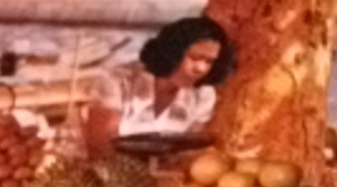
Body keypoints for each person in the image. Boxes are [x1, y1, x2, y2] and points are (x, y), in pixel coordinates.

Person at [77, 16, 236, 157]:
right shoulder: (117, 81)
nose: (201, 69)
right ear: (172, 52)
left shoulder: (203, 94)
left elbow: (190, 154)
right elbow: (101, 149)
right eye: (194, 58)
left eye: (209, 62)